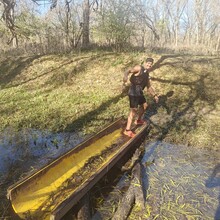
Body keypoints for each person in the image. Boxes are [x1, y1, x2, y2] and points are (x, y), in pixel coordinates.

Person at [123, 57, 159, 137]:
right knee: (133, 110)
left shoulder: (147, 73)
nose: (149, 65)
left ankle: (138, 120)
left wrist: (154, 95)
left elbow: (148, 86)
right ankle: (127, 130)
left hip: (139, 92)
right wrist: (125, 76)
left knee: (145, 106)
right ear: (145, 62)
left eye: (150, 64)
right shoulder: (139, 68)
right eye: (148, 63)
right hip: (133, 92)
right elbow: (128, 70)